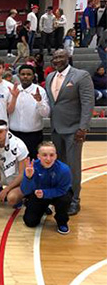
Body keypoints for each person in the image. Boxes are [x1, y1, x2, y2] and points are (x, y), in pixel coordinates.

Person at [45, 49, 94, 215]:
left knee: (73, 166)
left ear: (69, 58)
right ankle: (60, 197)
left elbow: (88, 103)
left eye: (61, 57)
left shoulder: (81, 75)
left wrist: (83, 127)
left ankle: (74, 200)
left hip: (74, 129)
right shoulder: (50, 77)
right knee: (59, 166)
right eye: (55, 57)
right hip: (56, 128)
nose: (57, 60)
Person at [21, 142, 73, 235]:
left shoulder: (64, 169)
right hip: (39, 195)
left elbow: (63, 190)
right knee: (30, 222)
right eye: (44, 155)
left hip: (58, 194)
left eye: (51, 155)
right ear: (38, 156)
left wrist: (45, 193)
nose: (48, 159)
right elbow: (25, 191)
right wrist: (28, 178)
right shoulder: (31, 168)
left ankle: (62, 221)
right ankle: (44, 207)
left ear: (56, 156)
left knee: (65, 199)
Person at [8, 65, 50, 159]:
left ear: (33, 76)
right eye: (23, 74)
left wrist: (39, 101)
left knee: (33, 164)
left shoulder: (40, 91)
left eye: (28, 74)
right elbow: (9, 111)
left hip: (34, 136)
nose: (25, 76)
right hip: (15, 135)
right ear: (19, 75)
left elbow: (45, 114)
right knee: (15, 163)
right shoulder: (13, 90)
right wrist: (14, 97)